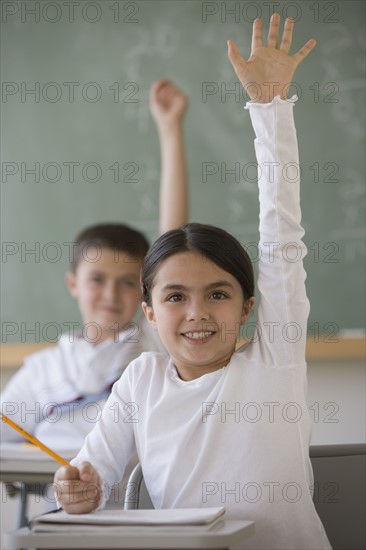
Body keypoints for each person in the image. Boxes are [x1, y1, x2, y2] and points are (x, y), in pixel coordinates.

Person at [54, 15, 332, 550]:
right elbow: (90, 476)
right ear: (149, 311)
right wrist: (79, 488)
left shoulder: (275, 356)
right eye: (175, 297)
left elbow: (281, 237)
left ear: (249, 306)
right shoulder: (141, 381)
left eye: (219, 294)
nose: (197, 313)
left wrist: (270, 109)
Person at [0, 80, 188, 450]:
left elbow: (175, 240)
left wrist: (170, 131)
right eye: (97, 280)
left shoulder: (152, 345)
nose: (110, 295)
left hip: (143, 507)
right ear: (73, 283)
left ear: (147, 289)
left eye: (127, 282)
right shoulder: (43, 370)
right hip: (61, 508)